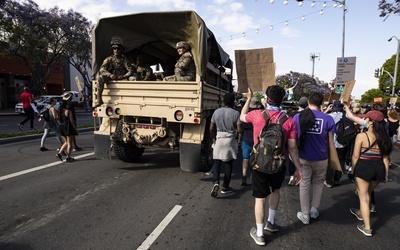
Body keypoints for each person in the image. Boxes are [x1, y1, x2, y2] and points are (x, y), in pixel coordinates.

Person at [240, 86, 302, 246]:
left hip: (259, 163)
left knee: (260, 199)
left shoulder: (256, 115)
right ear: (282, 100)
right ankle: (271, 222)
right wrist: (298, 168)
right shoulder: (288, 120)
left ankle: (259, 234)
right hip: (279, 163)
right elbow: (293, 147)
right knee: (275, 191)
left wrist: (248, 98)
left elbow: (242, 117)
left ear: (267, 99)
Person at [293, 92, 336, 225]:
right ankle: (314, 209)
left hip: (303, 156)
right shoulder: (328, 119)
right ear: (321, 103)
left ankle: (305, 214)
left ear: (308, 102)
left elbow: (293, 137)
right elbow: (331, 141)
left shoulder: (297, 117)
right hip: (322, 157)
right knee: (318, 183)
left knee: (304, 184)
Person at [347, 110, 392, 236]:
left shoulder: (361, 136)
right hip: (378, 169)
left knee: (364, 197)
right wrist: (386, 174)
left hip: (364, 167)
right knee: (368, 193)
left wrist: (353, 169)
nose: (365, 120)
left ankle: (367, 227)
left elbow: (355, 156)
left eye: (367, 119)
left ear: (371, 122)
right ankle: (361, 212)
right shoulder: (385, 138)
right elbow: (385, 159)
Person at [209, 93, 242, 197]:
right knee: (228, 164)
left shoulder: (216, 112)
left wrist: (214, 138)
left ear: (223, 101)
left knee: (217, 162)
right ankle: (225, 187)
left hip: (219, 138)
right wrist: (239, 141)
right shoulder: (236, 113)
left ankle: (215, 182)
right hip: (230, 140)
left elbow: (211, 128)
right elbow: (240, 130)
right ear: (233, 101)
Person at [95, 36, 133, 107]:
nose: (116, 50)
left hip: (122, 78)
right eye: (114, 49)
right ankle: (99, 99)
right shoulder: (109, 59)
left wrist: (124, 76)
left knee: (133, 79)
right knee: (100, 78)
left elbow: (130, 71)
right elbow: (102, 69)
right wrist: (109, 74)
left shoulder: (124, 60)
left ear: (121, 50)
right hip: (112, 77)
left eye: (118, 49)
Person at [324, 100, 348, 188]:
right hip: (343, 143)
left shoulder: (328, 116)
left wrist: (326, 110)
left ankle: (329, 181)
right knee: (341, 161)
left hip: (331, 143)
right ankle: (337, 179)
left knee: (331, 161)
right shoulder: (346, 116)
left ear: (333, 107)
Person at [240, 97, 263, 186]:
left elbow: (241, 126)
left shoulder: (247, 115)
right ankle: (254, 175)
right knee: (256, 159)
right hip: (257, 141)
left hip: (246, 139)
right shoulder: (261, 115)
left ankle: (244, 176)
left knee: (245, 159)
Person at [287, 96, 308, 185]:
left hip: (292, 138)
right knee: (300, 158)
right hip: (304, 140)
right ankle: (300, 175)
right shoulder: (308, 115)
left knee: (291, 156)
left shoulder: (291, 114)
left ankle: (292, 176)